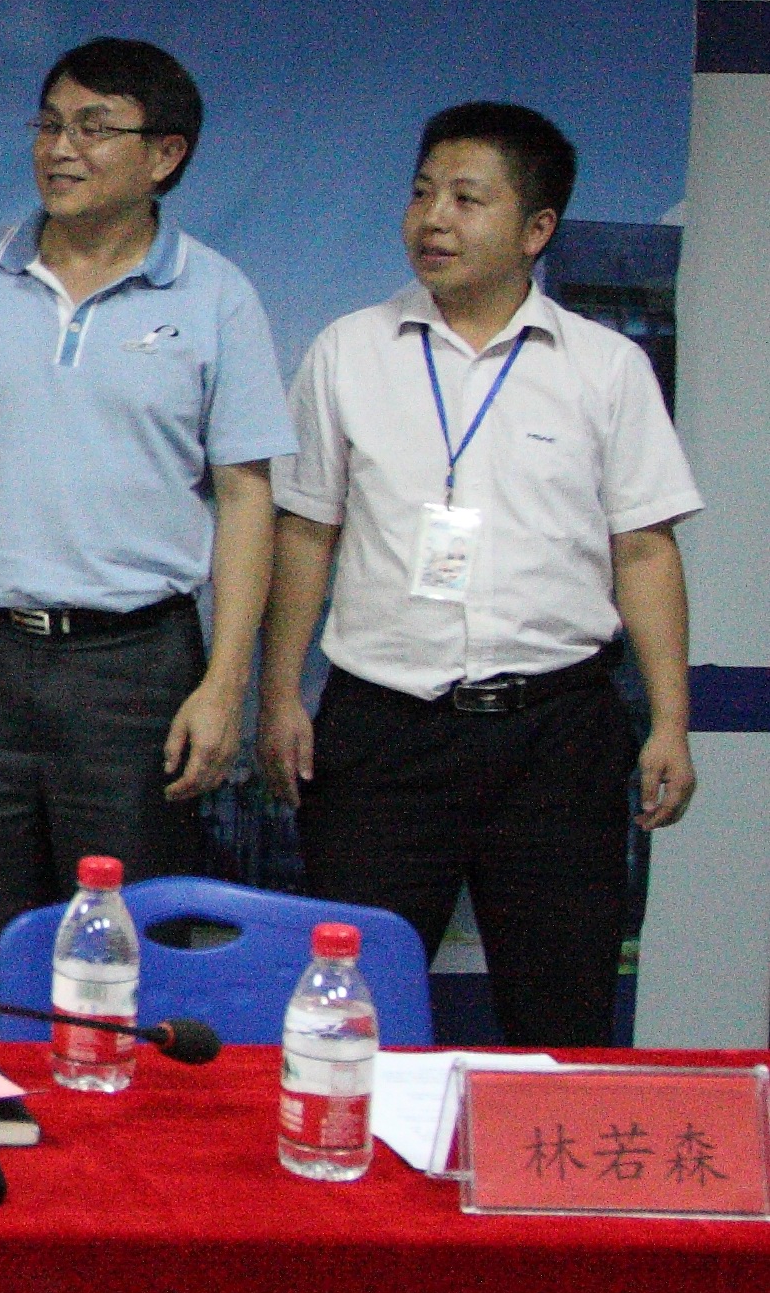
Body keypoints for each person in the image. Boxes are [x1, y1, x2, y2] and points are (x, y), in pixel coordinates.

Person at [0, 38, 292, 1010]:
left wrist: (225, 683)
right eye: (50, 124)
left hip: (136, 668)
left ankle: (112, 1108)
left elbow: (246, 499)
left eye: (94, 129)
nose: (60, 149)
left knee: (123, 951)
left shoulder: (216, 296)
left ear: (165, 155)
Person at [259, 102, 695, 1048]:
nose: (432, 220)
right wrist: (280, 692)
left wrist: (669, 720)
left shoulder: (606, 367)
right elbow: (304, 534)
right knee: (348, 1020)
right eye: (421, 193)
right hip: (382, 733)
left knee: (560, 1015)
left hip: (555, 735)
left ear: (536, 229)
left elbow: (644, 548)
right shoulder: (347, 351)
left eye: (466, 199)